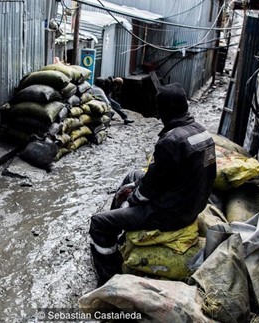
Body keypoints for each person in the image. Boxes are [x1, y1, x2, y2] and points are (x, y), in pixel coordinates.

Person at [88, 83, 217, 287]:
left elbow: (147, 192)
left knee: (99, 222)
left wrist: (130, 199)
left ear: (166, 110)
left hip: (169, 215)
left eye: (160, 109)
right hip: (190, 203)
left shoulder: (170, 142)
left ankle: (108, 277)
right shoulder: (203, 133)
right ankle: (120, 237)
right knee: (133, 174)